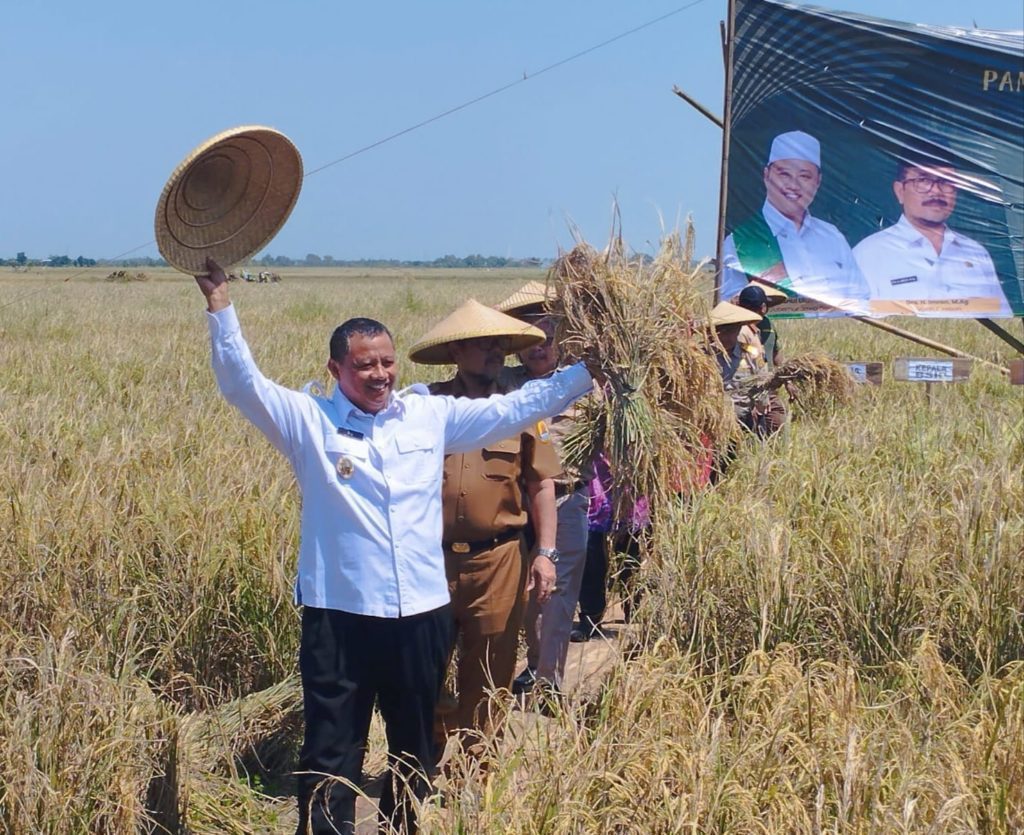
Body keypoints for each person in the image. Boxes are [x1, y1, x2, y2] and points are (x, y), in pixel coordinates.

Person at [193, 259, 594, 835]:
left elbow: (513, 409)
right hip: (340, 618)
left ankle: (401, 825)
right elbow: (241, 384)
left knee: (412, 742)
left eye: (385, 362)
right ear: (336, 369)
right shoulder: (309, 421)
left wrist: (588, 371)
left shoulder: (427, 416)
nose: (379, 375)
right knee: (332, 746)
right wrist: (220, 302)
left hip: (420, 615)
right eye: (363, 366)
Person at [406, 299, 561, 754]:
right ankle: (426, 750)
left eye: (499, 345)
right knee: (423, 662)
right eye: (482, 345)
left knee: (491, 664)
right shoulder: (426, 407)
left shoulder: (523, 411)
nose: (494, 353)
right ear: (456, 352)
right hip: (427, 560)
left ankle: (477, 761)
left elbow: (541, 486)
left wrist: (546, 554)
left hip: (498, 559)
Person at [493, 286, 593, 697]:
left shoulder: (583, 384)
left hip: (569, 499)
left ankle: (550, 679)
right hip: (513, 502)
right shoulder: (502, 383)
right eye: (531, 343)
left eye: (548, 340)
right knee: (523, 593)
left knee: (560, 592)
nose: (540, 350)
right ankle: (535, 663)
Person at [721, 130, 869, 310]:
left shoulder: (832, 237)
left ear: (818, 182)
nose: (793, 185)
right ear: (767, 175)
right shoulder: (740, 242)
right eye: (784, 174)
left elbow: (861, 298)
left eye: (805, 176)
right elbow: (728, 309)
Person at [852, 158, 1012, 315]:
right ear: (900, 191)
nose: (936, 191)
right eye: (922, 180)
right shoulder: (869, 254)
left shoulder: (976, 254)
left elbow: (1002, 319)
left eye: (946, 181)